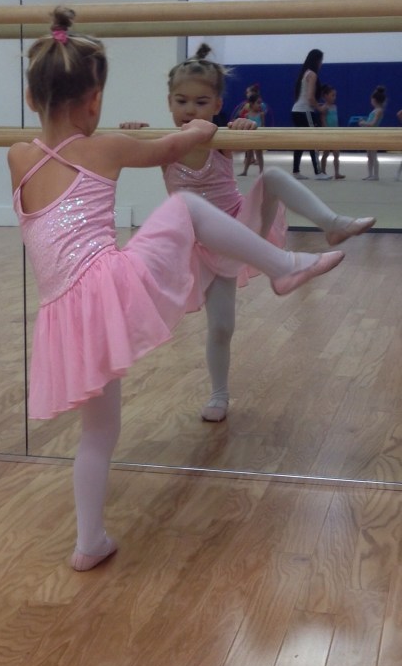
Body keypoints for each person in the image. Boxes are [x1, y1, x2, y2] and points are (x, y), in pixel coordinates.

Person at [10, 7, 346, 571]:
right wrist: (200, 127)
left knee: (98, 433)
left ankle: (89, 541)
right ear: (94, 101)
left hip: (63, 310)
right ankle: (282, 265)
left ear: (29, 98)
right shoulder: (106, 147)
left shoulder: (16, 155)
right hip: (109, 287)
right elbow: (173, 149)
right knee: (186, 205)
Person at [122, 49, 375, 425]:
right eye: (181, 101)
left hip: (242, 230)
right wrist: (134, 131)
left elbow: (247, 139)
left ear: (217, 105)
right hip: (205, 250)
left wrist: (245, 126)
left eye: (201, 102)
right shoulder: (166, 145)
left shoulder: (220, 139)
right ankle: (219, 393)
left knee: (270, 178)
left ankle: (332, 223)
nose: (190, 109)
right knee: (221, 326)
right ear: (169, 102)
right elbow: (128, 152)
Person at [291, 48, 329, 179]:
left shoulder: (304, 73)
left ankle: (296, 171)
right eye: (321, 60)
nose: (321, 63)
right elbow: (310, 98)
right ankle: (318, 172)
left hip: (296, 111)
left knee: (300, 142)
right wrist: (320, 108)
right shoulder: (312, 74)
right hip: (305, 111)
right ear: (316, 61)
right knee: (313, 140)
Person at [358, 85, 387, 180]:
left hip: (374, 134)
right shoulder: (375, 110)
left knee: (373, 155)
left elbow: (373, 123)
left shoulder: (379, 111)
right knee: (369, 155)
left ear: (374, 100)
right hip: (369, 134)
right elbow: (370, 122)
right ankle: (370, 174)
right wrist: (364, 122)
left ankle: (376, 175)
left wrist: (363, 123)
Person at [319, 84, 345, 179]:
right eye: (332, 95)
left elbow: (336, 120)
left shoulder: (335, 107)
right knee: (325, 153)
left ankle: (337, 173)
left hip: (335, 133)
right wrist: (326, 132)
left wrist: (337, 131)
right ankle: (323, 171)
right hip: (328, 133)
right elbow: (323, 120)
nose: (334, 97)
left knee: (336, 154)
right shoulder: (324, 107)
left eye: (335, 95)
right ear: (326, 96)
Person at [238, 89, 265, 176]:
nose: (260, 105)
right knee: (249, 154)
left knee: (259, 154)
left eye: (260, 103)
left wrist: (262, 136)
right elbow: (245, 127)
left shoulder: (261, 115)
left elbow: (263, 126)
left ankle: (261, 171)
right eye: (258, 103)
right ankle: (245, 171)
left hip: (258, 136)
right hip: (249, 136)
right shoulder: (247, 115)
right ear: (252, 104)